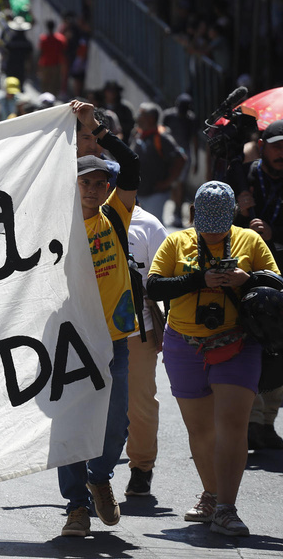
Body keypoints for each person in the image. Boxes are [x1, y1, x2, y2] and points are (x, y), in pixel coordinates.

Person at [147, 181, 279, 537]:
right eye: (206, 223)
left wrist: (246, 278)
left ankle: (226, 508)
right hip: (184, 344)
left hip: (238, 344)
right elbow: (154, 286)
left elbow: (278, 289)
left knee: (232, 426)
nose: (214, 230)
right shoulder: (177, 242)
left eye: (221, 223)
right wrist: (199, 279)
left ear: (233, 215)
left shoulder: (251, 241)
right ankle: (211, 493)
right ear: (193, 215)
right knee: (201, 431)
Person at [60, 100, 139, 538]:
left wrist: (96, 129)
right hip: (69, 341)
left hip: (114, 340)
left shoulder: (116, 215)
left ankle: (101, 475)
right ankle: (76, 506)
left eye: (99, 182)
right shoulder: (56, 224)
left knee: (115, 426)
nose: (91, 189)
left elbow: (130, 163)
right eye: (83, 181)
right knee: (70, 423)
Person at [235, 119, 283, 450]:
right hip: (244, 284)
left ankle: (266, 423)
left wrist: (275, 235)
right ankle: (250, 422)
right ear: (261, 145)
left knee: (280, 355)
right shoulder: (243, 177)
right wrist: (239, 214)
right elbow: (210, 224)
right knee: (246, 352)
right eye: (277, 146)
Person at [124, 205, 169, 498]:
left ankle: (141, 468)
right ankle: (92, 476)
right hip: (89, 329)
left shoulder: (150, 227)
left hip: (139, 331)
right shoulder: (78, 218)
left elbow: (167, 280)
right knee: (89, 405)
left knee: (139, 404)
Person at [131, 102, 186, 224]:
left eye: (141, 114)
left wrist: (168, 182)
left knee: (153, 227)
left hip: (155, 194)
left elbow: (181, 159)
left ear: (150, 118)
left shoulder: (162, 137)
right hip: (138, 193)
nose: (137, 117)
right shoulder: (138, 134)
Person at [161, 94, 201, 227]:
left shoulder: (191, 119)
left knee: (180, 184)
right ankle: (175, 209)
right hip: (169, 154)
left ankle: (177, 212)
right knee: (174, 183)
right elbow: (162, 133)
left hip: (184, 155)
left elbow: (194, 141)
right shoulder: (168, 116)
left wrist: (196, 161)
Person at [38, 19, 67, 98]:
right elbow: (63, 53)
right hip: (56, 65)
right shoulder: (60, 39)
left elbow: (41, 53)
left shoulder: (43, 39)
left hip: (45, 64)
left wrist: (39, 66)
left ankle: (45, 100)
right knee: (55, 84)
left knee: (45, 84)